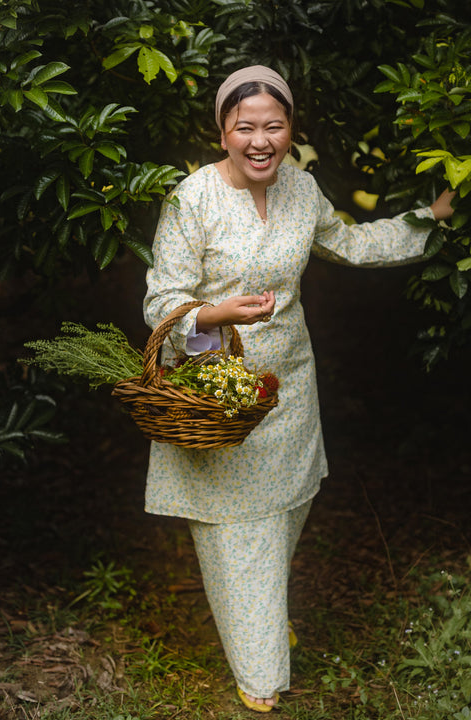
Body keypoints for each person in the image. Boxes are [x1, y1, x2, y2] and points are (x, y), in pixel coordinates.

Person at [142, 65, 454, 712]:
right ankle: (261, 678)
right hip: (218, 391)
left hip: (287, 386)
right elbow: (162, 300)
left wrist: (433, 218)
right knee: (238, 533)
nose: (260, 140)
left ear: (291, 131)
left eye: (274, 126)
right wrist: (218, 314)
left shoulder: (302, 190)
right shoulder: (191, 199)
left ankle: (257, 616)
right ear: (222, 130)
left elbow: (353, 244)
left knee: (283, 514)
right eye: (245, 126)